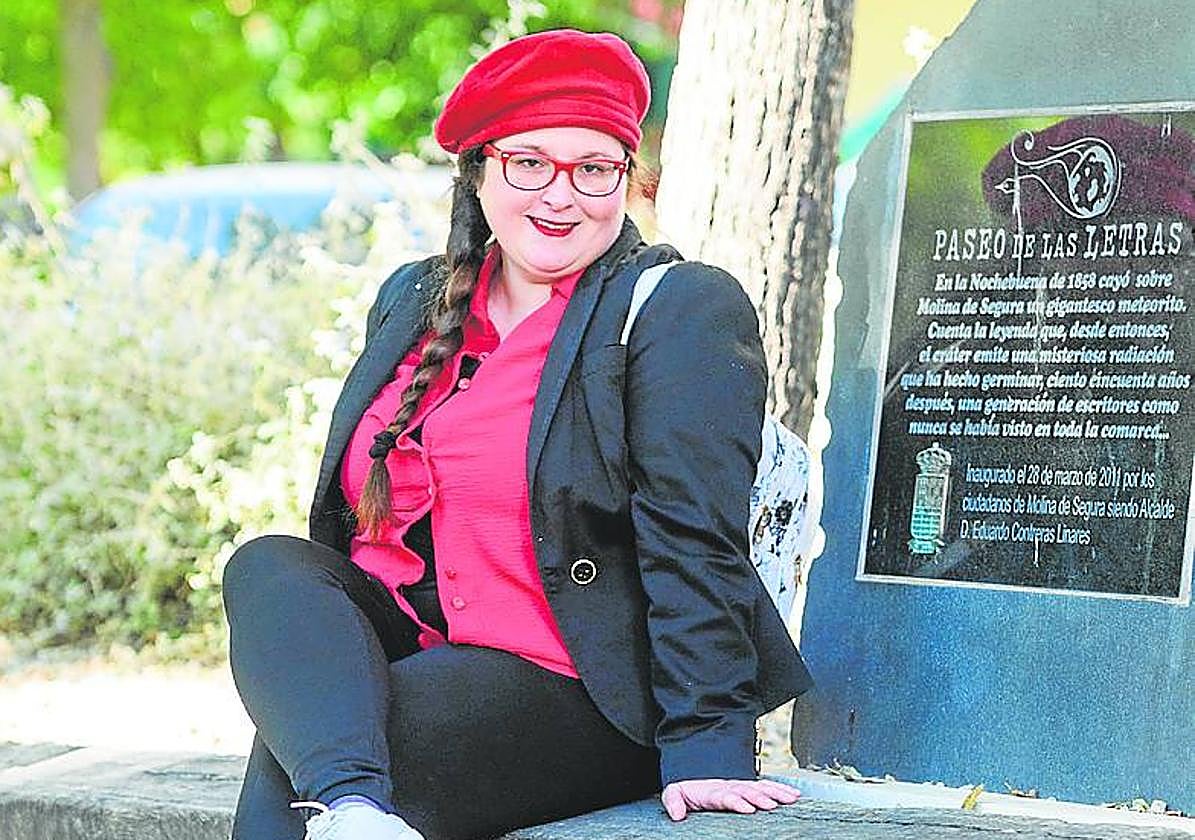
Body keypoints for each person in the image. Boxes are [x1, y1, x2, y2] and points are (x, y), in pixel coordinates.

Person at [222, 28, 813, 840]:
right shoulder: (413, 297)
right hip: (413, 647)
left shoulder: (675, 307)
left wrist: (708, 741)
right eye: (528, 163)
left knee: (303, 769)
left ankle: (350, 805)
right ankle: (355, 812)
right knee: (267, 567)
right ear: (478, 173)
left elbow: (695, 533)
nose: (560, 195)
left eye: (593, 169)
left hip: (574, 682)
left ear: (626, 178)